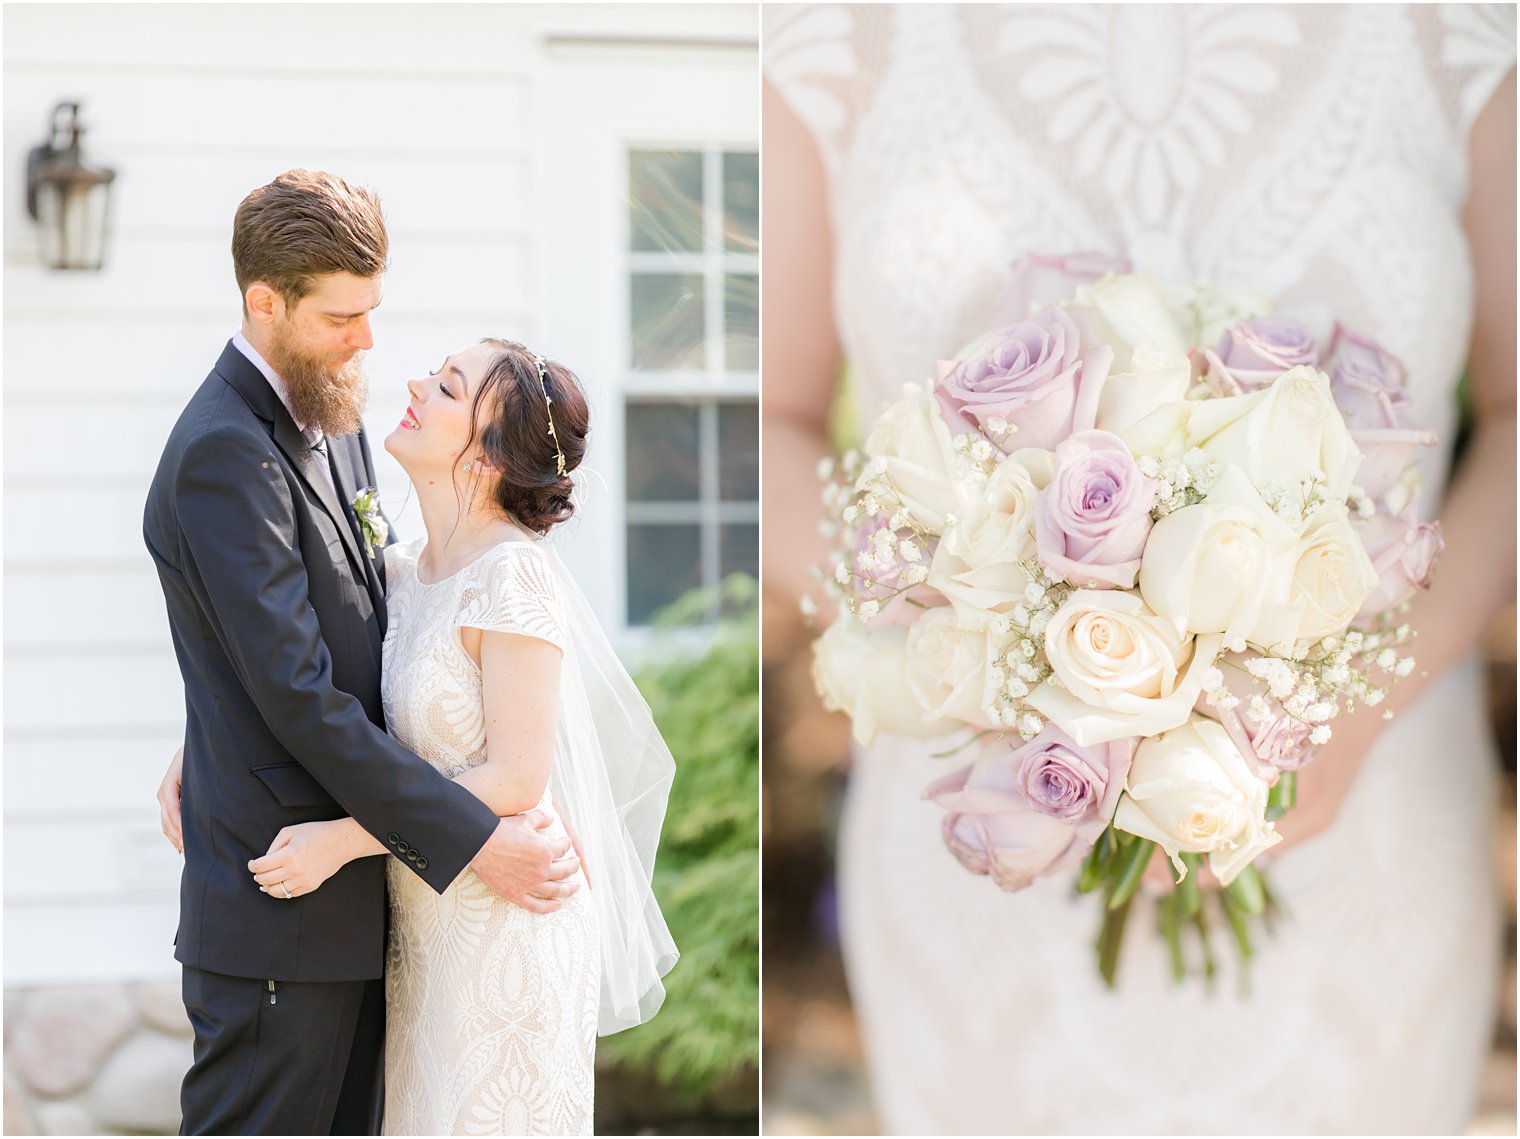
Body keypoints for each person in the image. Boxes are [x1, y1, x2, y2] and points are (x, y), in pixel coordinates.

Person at [762, 4, 1515, 1133]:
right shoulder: (818, 30)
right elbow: (767, 421)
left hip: (1374, 827)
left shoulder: (1463, 23)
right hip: (982, 849)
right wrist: (978, 659)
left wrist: (1352, 705)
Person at [145, 170, 584, 1136]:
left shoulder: (334, 412)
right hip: (280, 910)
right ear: (267, 303)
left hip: (375, 917)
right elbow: (296, 689)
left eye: (374, 310)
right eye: (344, 316)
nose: (369, 341)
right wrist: (477, 837)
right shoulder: (225, 451)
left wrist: (203, 728)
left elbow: (357, 625)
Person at [244, 338, 679, 1134]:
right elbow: (309, 684)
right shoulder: (406, 573)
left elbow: (517, 777)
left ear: (485, 456)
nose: (415, 383)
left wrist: (339, 841)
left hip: (507, 929)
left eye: (446, 387)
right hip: (427, 925)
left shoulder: (513, 574)